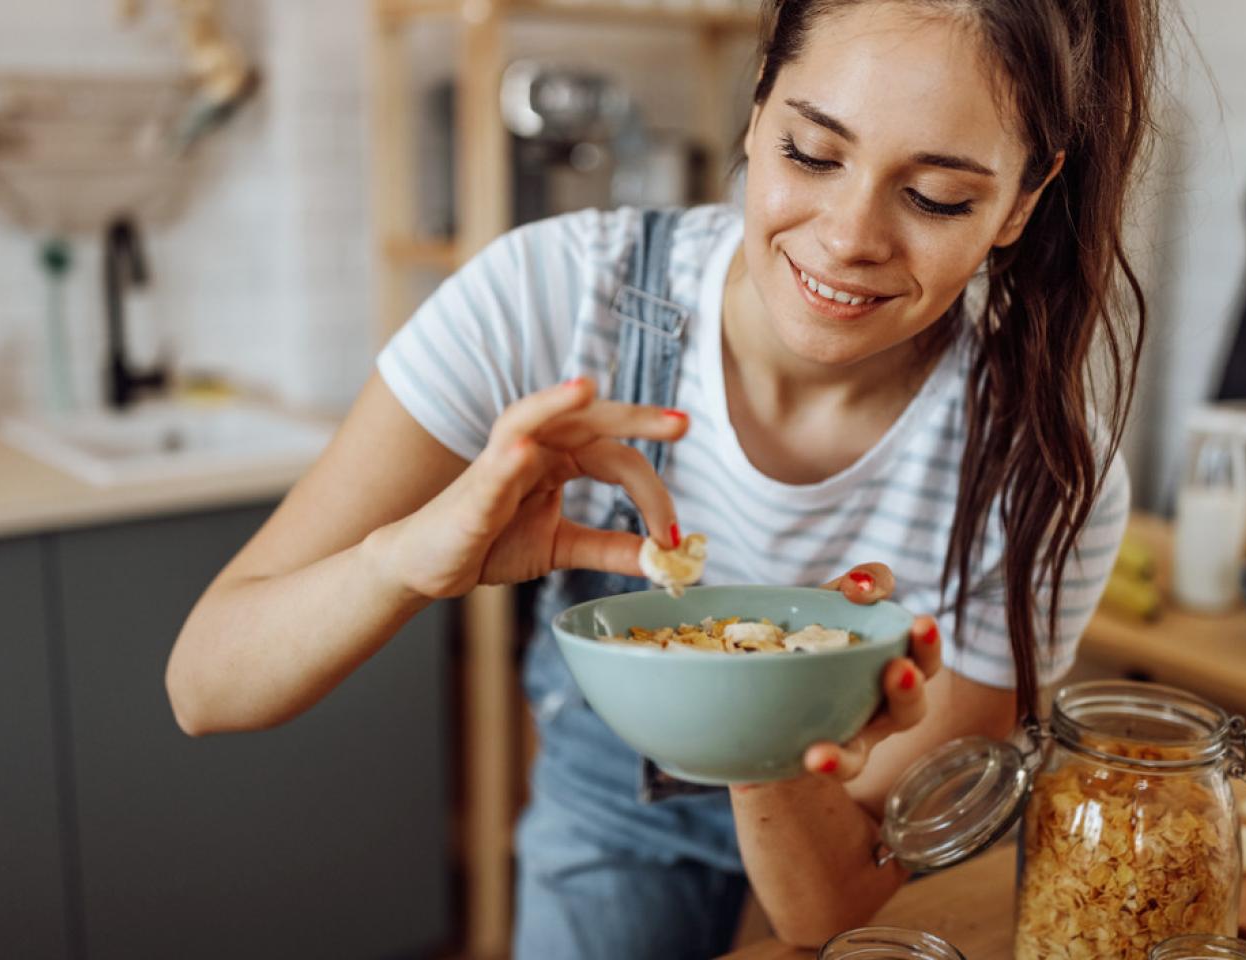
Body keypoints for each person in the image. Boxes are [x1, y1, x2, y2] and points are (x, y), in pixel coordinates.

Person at [166, 0, 1155, 954]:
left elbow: (836, 903)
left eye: (936, 196)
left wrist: (762, 712)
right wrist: (405, 563)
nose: (850, 236)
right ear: (757, 104)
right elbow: (206, 684)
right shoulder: (554, 296)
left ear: (1021, 201)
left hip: (826, 840)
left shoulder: (1044, 472)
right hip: (610, 822)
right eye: (810, 152)